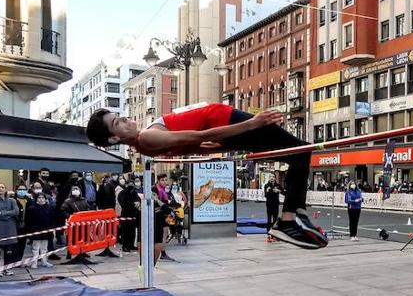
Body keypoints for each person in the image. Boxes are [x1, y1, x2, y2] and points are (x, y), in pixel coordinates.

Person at [86, 104, 327, 249]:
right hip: (227, 121)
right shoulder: (146, 138)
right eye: (118, 122)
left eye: (121, 115)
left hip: (226, 124)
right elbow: (198, 135)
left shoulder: (144, 142)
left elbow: (195, 144)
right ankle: (288, 219)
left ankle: (296, 214)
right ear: (114, 139)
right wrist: (252, 123)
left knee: (297, 154)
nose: (126, 119)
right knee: (300, 151)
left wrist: (220, 146)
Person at [24, 191, 56, 268]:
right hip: (36, 231)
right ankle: (34, 262)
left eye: (43, 198)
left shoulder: (49, 207)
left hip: (46, 231)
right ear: (36, 199)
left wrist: (51, 229)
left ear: (45, 199)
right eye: (39, 197)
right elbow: (28, 220)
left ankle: (44, 261)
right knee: (35, 248)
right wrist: (30, 231)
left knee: (44, 248)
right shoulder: (32, 208)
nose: (41, 199)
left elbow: (52, 219)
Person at [117, 178, 140, 252]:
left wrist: (138, 203)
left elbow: (138, 199)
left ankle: (131, 245)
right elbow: (123, 203)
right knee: (125, 231)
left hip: (133, 214)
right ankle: (125, 246)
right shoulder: (122, 193)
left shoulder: (133, 192)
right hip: (126, 214)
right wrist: (133, 204)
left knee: (132, 231)